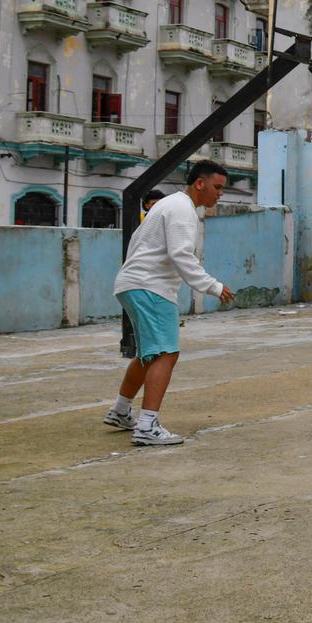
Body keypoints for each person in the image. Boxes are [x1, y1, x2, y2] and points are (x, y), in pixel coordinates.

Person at [104, 162, 235, 446]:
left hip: (134, 283)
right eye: (217, 187)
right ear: (200, 184)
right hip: (152, 287)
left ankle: (121, 410)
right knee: (166, 354)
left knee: (148, 354)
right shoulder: (182, 209)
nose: (220, 194)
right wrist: (214, 286)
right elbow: (181, 255)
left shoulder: (169, 205)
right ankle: (147, 425)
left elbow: (139, 242)